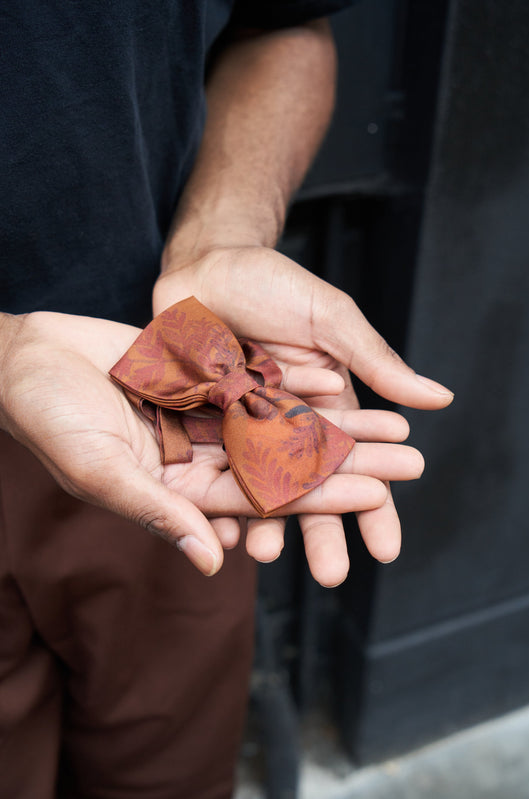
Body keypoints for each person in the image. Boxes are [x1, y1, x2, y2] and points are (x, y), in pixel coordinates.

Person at [0, 3, 453, 797]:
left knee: (171, 766)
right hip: (131, 395)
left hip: (166, 425)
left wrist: (224, 232)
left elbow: (279, 26)